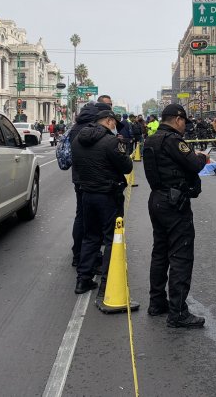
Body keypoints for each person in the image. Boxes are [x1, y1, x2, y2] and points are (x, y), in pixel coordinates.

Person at [143, 104, 207, 328]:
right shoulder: (173, 140)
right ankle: (178, 312)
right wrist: (201, 157)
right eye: (184, 123)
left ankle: (156, 302)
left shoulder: (150, 139)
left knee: (160, 252)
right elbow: (194, 165)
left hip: (157, 199)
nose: (184, 128)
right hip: (174, 203)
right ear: (178, 120)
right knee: (180, 255)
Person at [73, 109, 133, 295]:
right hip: (108, 195)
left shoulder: (78, 140)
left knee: (90, 237)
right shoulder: (111, 141)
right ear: (107, 121)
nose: (115, 126)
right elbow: (127, 166)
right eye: (114, 122)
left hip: (87, 194)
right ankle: (108, 283)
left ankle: (83, 280)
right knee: (111, 240)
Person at [68, 101, 112, 268]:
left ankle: (78, 255)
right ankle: (91, 259)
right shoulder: (95, 129)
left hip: (79, 177)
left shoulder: (75, 127)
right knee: (94, 224)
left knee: (81, 216)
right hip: (95, 180)